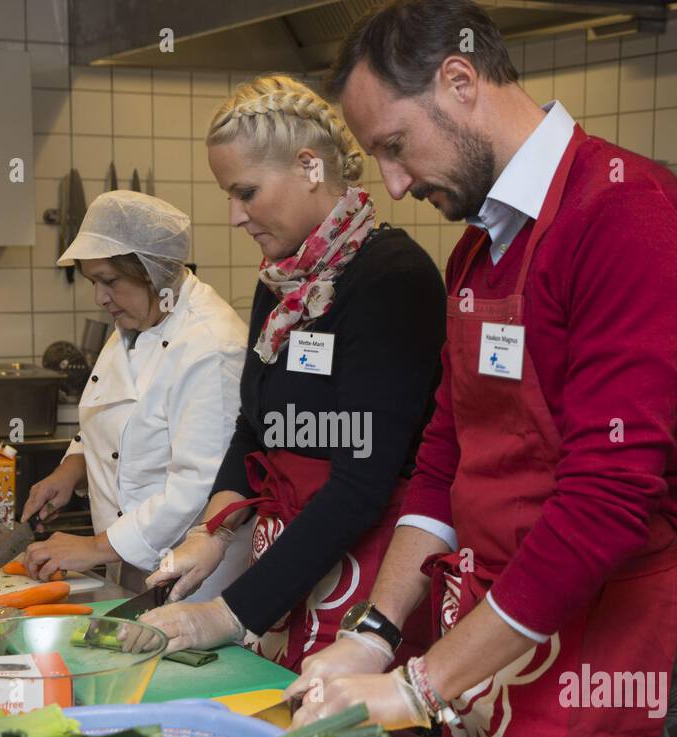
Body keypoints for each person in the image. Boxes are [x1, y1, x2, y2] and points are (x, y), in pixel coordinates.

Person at [289, 0, 677, 737]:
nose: (393, 182)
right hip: (493, 642)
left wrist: (420, 690)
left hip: (604, 650)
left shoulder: (626, 216)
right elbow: (444, 462)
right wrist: (374, 637)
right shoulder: (479, 253)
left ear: (459, 81)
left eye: (393, 146)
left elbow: (606, 501)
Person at [137, 75, 446, 671]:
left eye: (246, 192)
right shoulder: (280, 281)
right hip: (288, 563)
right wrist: (214, 532)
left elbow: (362, 485)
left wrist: (228, 613)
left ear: (308, 166)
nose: (234, 216)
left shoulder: (392, 280)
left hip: (367, 572)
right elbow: (255, 426)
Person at [21, 190, 250, 600]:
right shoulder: (137, 320)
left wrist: (93, 547)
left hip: (195, 581)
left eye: (109, 281)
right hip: (127, 563)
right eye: (94, 282)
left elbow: (197, 485)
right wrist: (72, 469)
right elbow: (115, 410)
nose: (99, 298)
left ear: (153, 271)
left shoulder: (211, 346)